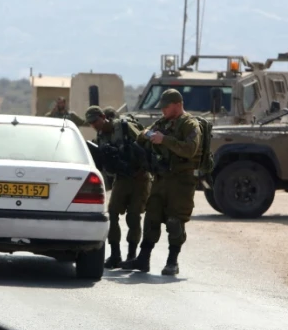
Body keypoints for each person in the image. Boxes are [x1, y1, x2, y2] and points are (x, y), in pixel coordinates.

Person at [120, 89, 201, 276]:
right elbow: (143, 134)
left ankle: (172, 262)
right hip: (160, 179)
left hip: (180, 181)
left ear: (178, 104)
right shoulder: (163, 122)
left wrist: (164, 140)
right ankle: (143, 259)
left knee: (175, 221)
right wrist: (149, 136)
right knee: (151, 218)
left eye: (166, 106)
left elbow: (190, 149)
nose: (162, 110)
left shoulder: (189, 124)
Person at [85, 105, 151, 268]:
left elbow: (145, 144)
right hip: (121, 179)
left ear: (102, 116)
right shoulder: (101, 137)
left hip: (140, 177)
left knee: (133, 216)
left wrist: (143, 168)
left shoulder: (123, 126)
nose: (94, 125)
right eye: (91, 123)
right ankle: (115, 254)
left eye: (95, 121)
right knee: (112, 213)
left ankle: (131, 255)